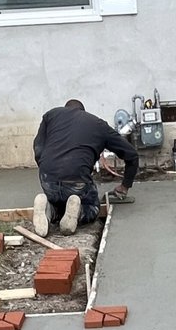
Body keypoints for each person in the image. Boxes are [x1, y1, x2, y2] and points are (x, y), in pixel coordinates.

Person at [29, 97, 138, 236]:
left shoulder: (51, 115)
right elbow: (132, 155)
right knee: (92, 207)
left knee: (57, 201)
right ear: (83, 111)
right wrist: (124, 186)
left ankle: (49, 211)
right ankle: (79, 211)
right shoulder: (98, 125)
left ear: (66, 108)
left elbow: (38, 148)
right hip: (77, 179)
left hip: (48, 178)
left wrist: (47, 169)